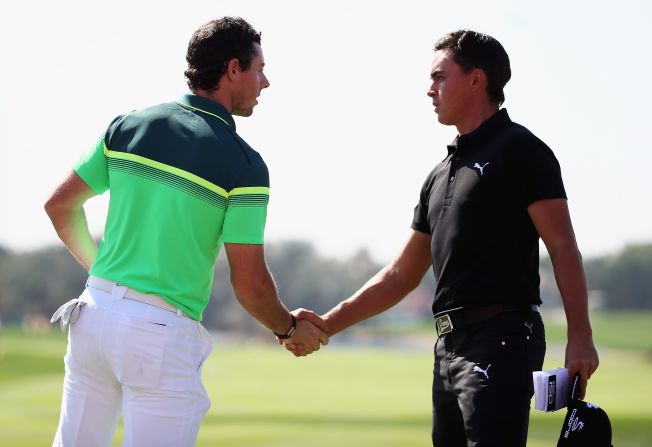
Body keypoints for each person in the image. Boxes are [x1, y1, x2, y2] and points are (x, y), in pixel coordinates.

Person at [291, 30, 599, 446]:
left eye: (440, 77)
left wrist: (581, 336)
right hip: (448, 347)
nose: (429, 89)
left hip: (502, 338)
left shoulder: (522, 150)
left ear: (476, 80)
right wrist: (328, 323)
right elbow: (401, 275)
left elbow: (562, 245)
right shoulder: (439, 173)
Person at [45, 17, 328, 447]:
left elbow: (60, 206)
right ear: (233, 69)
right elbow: (249, 283)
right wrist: (288, 328)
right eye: (259, 69)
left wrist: (105, 274)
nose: (265, 82)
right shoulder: (243, 164)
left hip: (93, 313)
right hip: (158, 334)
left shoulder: (128, 125)